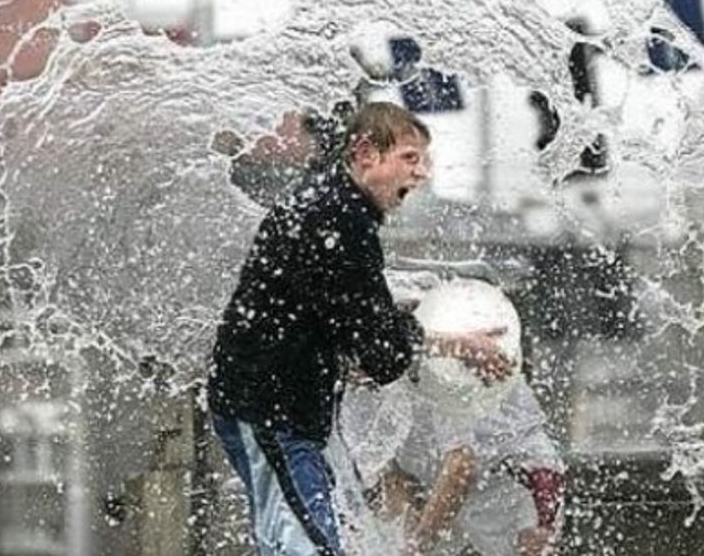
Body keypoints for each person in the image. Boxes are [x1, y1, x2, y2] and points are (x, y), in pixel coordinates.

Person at [207, 101, 514, 556]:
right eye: (410, 157)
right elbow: (382, 351)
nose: (423, 172)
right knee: (308, 547)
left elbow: (338, 317)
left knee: (320, 538)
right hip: (269, 411)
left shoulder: (331, 207)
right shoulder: (337, 220)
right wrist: (455, 344)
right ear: (366, 153)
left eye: (425, 160)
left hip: (284, 411)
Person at [367, 375, 565, 556]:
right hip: (437, 477)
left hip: (511, 476)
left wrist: (415, 548)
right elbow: (395, 478)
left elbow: (461, 468)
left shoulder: (443, 369)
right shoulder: (366, 392)